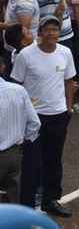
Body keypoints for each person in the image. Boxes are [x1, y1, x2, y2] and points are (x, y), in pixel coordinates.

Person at [12, 16, 75, 217]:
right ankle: (28, 206)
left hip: (58, 115)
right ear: (39, 33)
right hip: (34, 119)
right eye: (47, 30)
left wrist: (68, 108)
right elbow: (16, 86)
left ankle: (51, 200)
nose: (51, 34)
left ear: (59, 33)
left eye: (55, 30)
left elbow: (69, 82)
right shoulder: (26, 55)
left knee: (54, 160)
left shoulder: (65, 53)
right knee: (32, 163)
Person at [0, 72, 40, 204]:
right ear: (2, 67)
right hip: (14, 153)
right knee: (12, 196)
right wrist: (22, 142)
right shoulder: (19, 90)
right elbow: (35, 123)